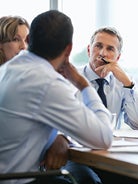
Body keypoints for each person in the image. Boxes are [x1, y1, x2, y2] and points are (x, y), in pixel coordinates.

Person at [0, 10, 113, 184]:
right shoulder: (47, 83)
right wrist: (83, 84)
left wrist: (60, 138)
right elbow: (103, 137)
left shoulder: (8, 69)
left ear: (29, 40)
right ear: (68, 49)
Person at [77, 27, 138, 130]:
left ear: (118, 58)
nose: (103, 53)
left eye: (110, 49)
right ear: (89, 50)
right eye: (98, 46)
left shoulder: (124, 81)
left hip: (111, 144)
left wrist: (127, 84)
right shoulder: (70, 78)